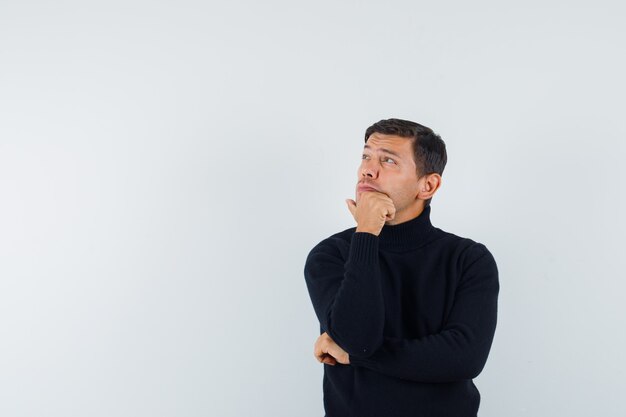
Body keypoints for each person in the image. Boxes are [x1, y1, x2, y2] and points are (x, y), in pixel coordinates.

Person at [303, 118, 499, 417]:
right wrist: (367, 232)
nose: (368, 169)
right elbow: (359, 340)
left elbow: (464, 358)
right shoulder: (331, 255)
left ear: (428, 184)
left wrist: (355, 357)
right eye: (366, 156)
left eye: (388, 161)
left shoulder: (468, 259)